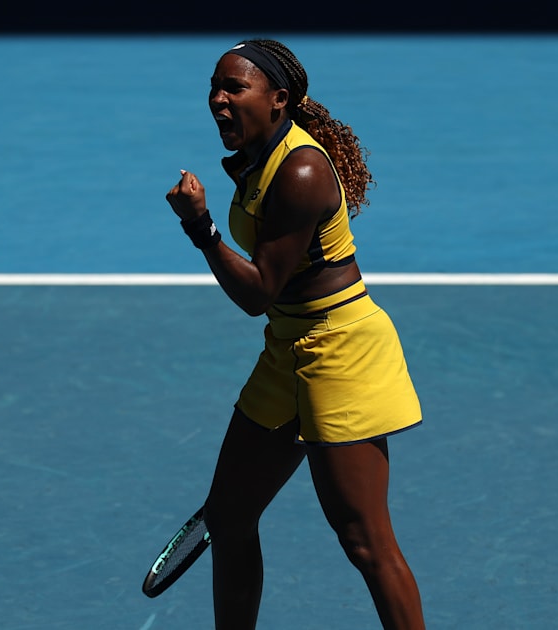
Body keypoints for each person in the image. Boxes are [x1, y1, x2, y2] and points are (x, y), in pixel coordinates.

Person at [165, 39, 426, 630]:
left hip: (340, 351)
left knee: (365, 542)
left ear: (279, 100)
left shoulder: (301, 170)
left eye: (235, 87)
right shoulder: (259, 155)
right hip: (288, 348)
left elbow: (258, 293)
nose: (219, 99)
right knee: (229, 519)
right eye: (215, 85)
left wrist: (201, 227)